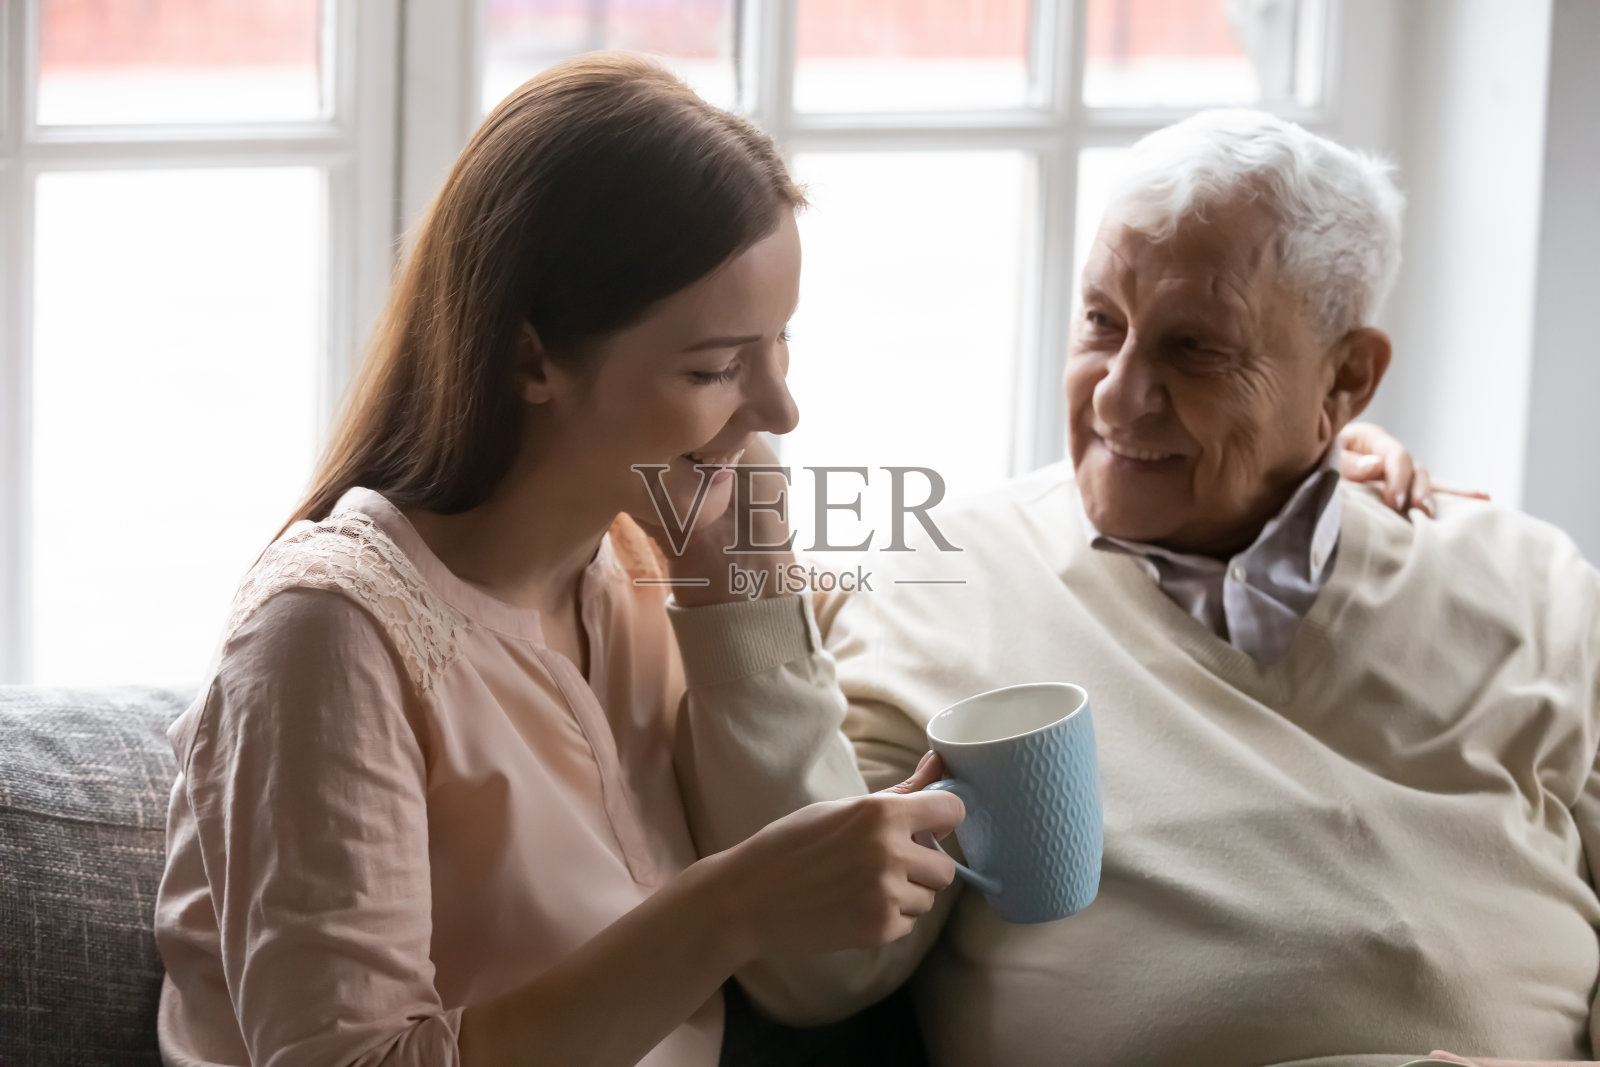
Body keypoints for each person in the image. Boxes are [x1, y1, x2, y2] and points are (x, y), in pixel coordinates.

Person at [666, 109, 1600, 1067]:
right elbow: (814, 968)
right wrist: (741, 593)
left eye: (1194, 348)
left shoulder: (1537, 585)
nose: (1115, 394)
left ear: (1347, 379)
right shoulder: (951, 582)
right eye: (1102, 322)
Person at [151, 53, 970, 1067]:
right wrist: (726, 905)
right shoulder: (328, 634)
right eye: (713, 366)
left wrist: (741, 606)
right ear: (530, 358)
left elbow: (820, 973)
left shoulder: (642, 567)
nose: (779, 411)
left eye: (779, 346)